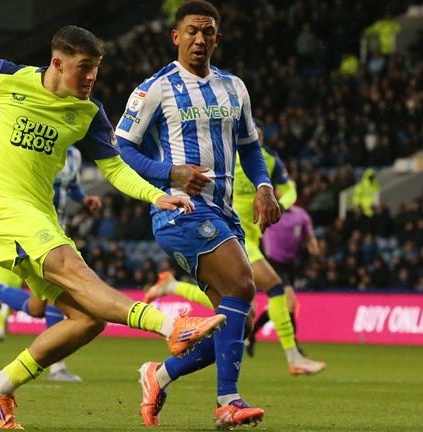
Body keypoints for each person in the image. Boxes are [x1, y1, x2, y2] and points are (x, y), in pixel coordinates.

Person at [0, 25, 225, 429]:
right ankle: (172, 327)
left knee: (86, 319)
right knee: (75, 270)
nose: (91, 78)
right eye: (83, 68)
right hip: (1, 205)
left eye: (96, 69)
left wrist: (155, 194)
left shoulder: (88, 113)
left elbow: (115, 168)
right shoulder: (4, 76)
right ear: (57, 63)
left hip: (40, 214)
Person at [116, 2, 281, 427]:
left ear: (217, 38)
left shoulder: (234, 87)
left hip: (224, 214)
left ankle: (159, 374)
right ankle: (228, 401)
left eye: (208, 32)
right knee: (244, 285)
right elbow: (121, 147)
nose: (199, 39)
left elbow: (249, 147)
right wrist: (168, 172)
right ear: (176, 36)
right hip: (181, 212)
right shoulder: (156, 88)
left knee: (233, 327)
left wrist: (263, 185)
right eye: (191, 31)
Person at [145, 130, 326, 376]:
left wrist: (280, 203)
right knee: (274, 287)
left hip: (250, 237)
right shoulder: (224, 153)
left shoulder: (266, 160)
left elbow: (289, 188)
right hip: (227, 233)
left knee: (234, 302)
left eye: (257, 134)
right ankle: (292, 357)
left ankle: (172, 289)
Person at [0, 145, 100, 382]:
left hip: (58, 230)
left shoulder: (75, 154)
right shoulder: (40, 144)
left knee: (37, 308)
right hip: (34, 230)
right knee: (62, 289)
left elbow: (72, 185)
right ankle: (57, 368)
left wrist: (84, 198)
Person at [247, 204, 321, 357]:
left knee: (285, 305)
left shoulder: (300, 214)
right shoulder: (270, 208)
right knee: (291, 303)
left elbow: (309, 235)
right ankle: (294, 346)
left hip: (291, 265)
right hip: (274, 262)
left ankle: (252, 334)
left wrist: (313, 244)